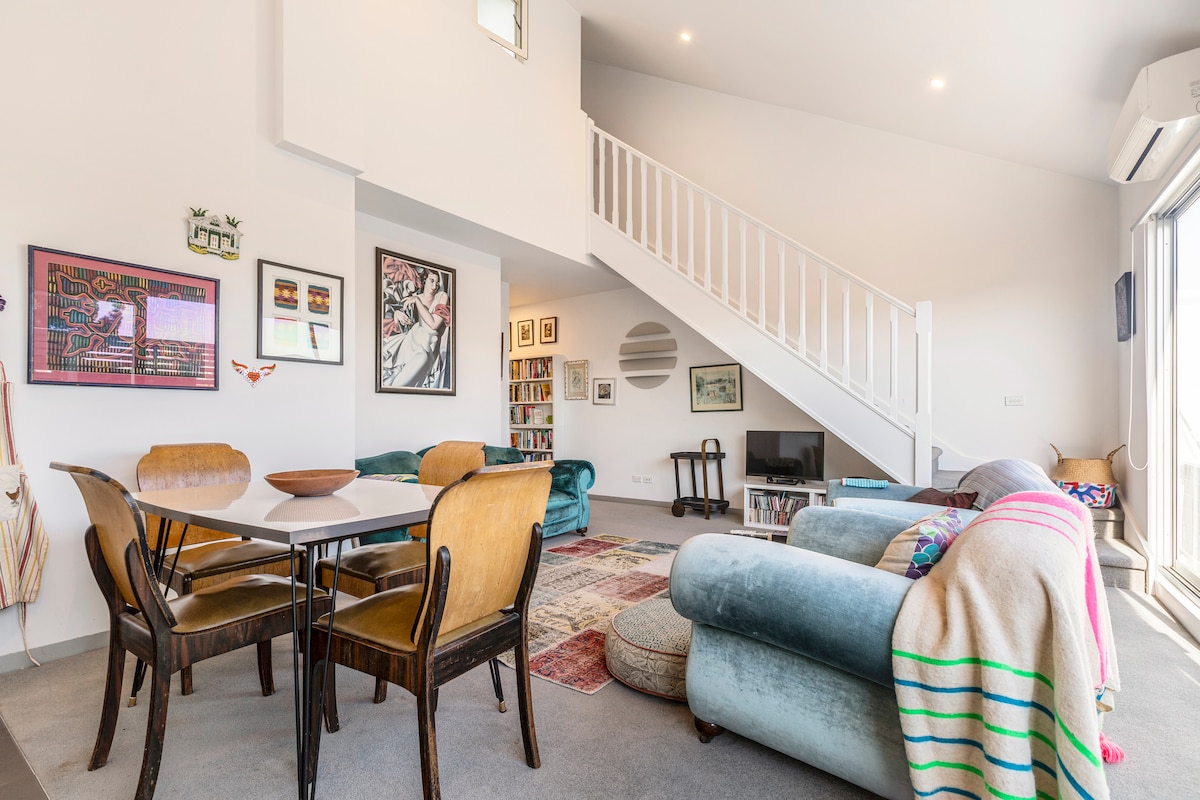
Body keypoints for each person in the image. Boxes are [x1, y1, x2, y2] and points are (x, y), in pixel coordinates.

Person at [380, 267, 451, 388]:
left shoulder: (441, 296)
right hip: (410, 341)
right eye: (431, 281)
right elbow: (390, 309)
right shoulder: (412, 297)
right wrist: (396, 313)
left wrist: (417, 301)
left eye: (437, 282)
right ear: (424, 281)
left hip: (425, 348)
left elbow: (433, 324)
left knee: (403, 382)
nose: (435, 285)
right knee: (392, 379)